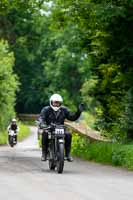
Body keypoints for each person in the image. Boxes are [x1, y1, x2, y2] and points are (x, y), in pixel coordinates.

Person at [38, 93, 84, 162]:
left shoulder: (64, 109)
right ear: (51, 102)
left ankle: (68, 154)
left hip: (60, 128)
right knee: (45, 133)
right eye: (55, 102)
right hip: (49, 128)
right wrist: (42, 124)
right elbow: (41, 118)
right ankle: (44, 154)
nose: (56, 104)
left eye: (58, 103)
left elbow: (72, 117)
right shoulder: (46, 109)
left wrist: (78, 112)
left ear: (60, 103)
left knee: (68, 134)